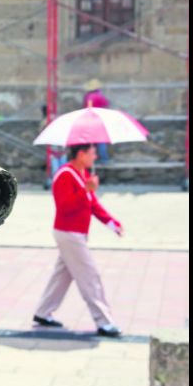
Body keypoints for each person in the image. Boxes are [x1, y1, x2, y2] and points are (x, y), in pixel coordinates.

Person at [32, 143, 124, 337]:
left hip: (75, 233)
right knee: (90, 276)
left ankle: (42, 313)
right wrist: (85, 189)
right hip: (68, 234)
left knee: (61, 277)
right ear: (81, 154)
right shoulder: (65, 175)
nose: (95, 157)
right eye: (92, 153)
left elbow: (92, 204)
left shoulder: (81, 173)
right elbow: (65, 206)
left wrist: (111, 223)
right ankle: (104, 322)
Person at [83, 79, 111, 163]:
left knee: (92, 141)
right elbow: (106, 105)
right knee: (101, 141)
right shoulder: (99, 96)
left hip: (89, 120)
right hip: (99, 120)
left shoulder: (87, 96)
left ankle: (93, 158)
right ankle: (104, 159)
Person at [40, 105, 67, 186]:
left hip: (60, 150)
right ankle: (58, 184)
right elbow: (42, 131)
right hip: (54, 150)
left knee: (61, 169)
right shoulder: (46, 120)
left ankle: (62, 183)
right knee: (57, 170)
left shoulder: (53, 119)